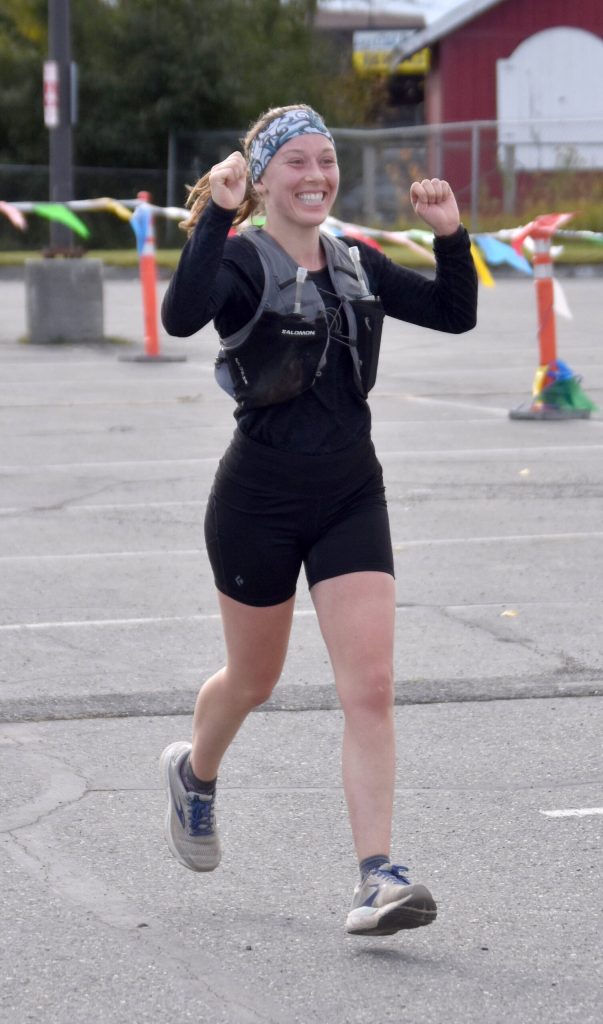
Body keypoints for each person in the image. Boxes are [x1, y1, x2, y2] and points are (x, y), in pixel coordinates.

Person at [160, 104, 477, 937]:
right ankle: (195, 773)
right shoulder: (236, 260)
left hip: (348, 496)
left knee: (369, 688)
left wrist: (449, 234)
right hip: (255, 505)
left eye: (325, 160)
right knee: (252, 682)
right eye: (294, 162)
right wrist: (217, 216)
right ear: (260, 178)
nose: (315, 176)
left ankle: (378, 878)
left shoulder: (356, 263)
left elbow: (454, 311)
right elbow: (182, 315)